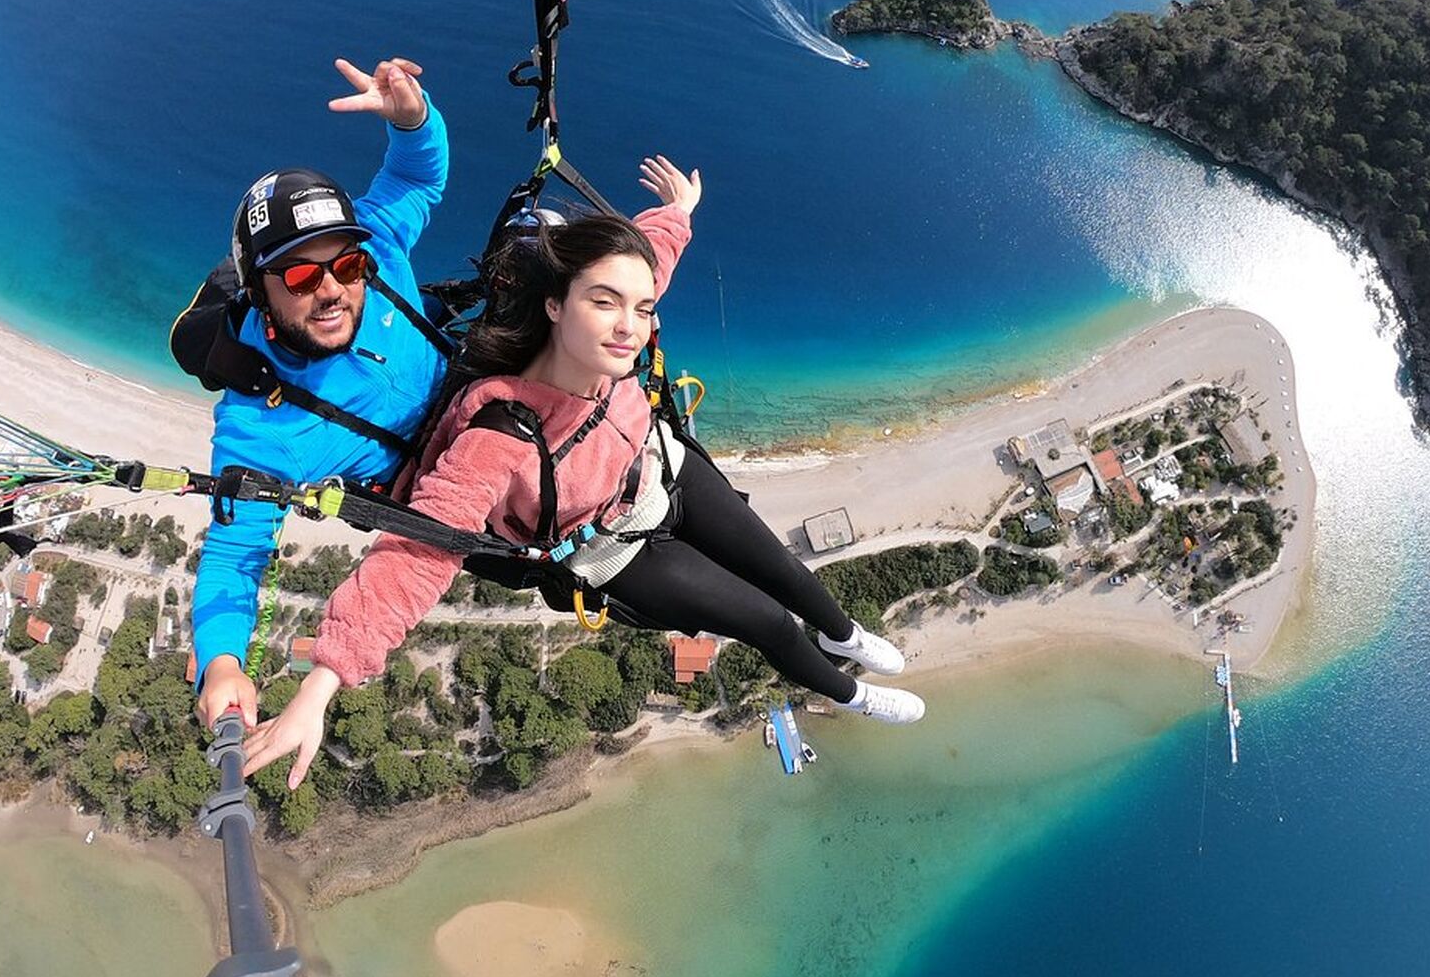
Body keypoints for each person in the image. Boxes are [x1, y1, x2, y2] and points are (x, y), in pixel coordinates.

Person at [243, 165, 925, 787]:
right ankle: (851, 695)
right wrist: (322, 683)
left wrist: (679, 211)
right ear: (555, 307)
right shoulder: (500, 431)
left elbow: (649, 262)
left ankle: (844, 637)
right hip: (614, 550)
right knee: (770, 622)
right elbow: (420, 553)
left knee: (790, 574)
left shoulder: (616, 323)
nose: (629, 327)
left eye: (641, 309)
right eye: (605, 304)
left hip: (664, 472)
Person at [191, 55, 450, 728]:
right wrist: (223, 664)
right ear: (259, 295)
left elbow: (418, 176)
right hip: (430, 486)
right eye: (301, 275)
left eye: (345, 264)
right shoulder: (260, 424)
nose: (331, 286)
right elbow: (233, 556)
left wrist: (411, 120)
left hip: (471, 404)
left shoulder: (381, 245)